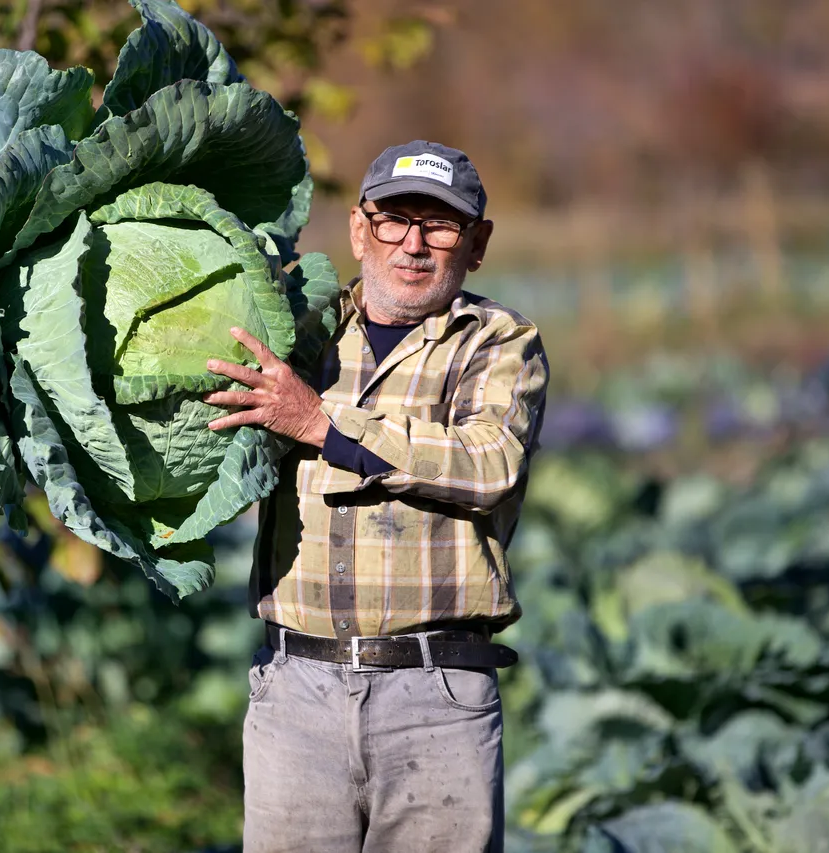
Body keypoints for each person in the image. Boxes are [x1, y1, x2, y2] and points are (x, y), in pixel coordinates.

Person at [203, 140, 550, 853]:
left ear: (477, 244)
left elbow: (490, 463)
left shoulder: (497, 343)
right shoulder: (299, 331)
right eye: (394, 220)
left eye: (441, 225)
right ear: (360, 230)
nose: (414, 244)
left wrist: (320, 422)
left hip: (437, 693)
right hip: (295, 688)